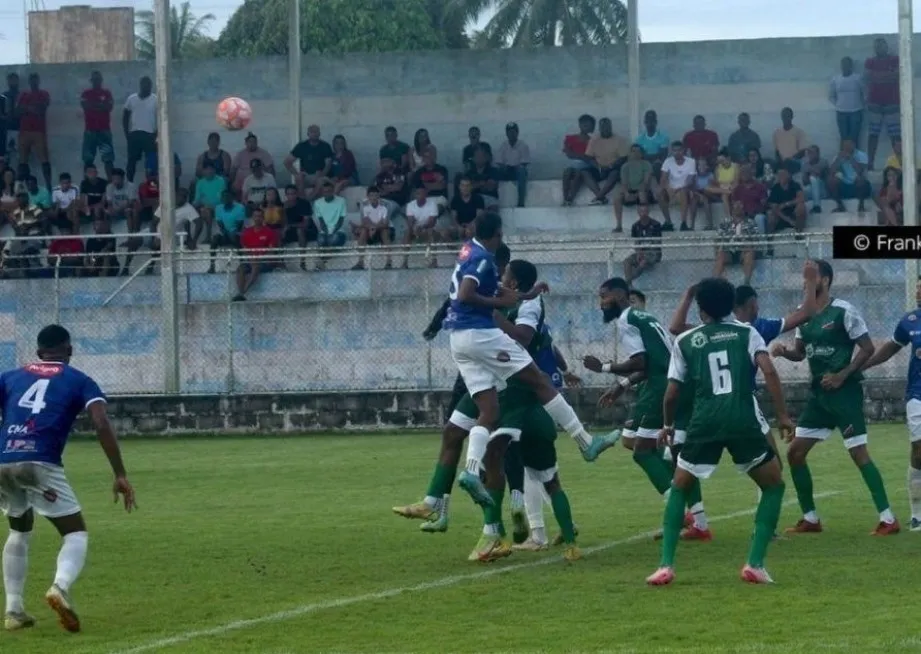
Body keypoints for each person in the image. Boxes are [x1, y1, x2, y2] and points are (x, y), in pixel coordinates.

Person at [443, 214, 614, 516]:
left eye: (506, 273)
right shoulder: (483, 260)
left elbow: (496, 299)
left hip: (462, 341)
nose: (502, 275)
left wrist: (523, 297)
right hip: (485, 347)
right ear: (497, 234)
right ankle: (584, 442)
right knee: (536, 387)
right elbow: (481, 300)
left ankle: (465, 484)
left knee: (486, 421)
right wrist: (503, 307)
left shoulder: (468, 251)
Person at [646, 278, 791, 586]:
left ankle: (665, 566)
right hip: (742, 420)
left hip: (704, 422)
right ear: (731, 304)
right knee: (774, 485)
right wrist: (782, 416)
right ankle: (755, 563)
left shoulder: (686, 340)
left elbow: (671, 394)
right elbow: (769, 371)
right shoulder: (747, 333)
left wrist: (668, 425)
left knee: (680, 486)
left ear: (701, 310)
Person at [0, 324, 136, 632]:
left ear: (38, 352)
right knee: (75, 533)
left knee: (19, 530)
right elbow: (101, 423)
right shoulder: (79, 380)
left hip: (3, 460)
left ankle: (14, 610)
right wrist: (120, 474)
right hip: (40, 462)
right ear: (69, 350)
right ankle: (59, 588)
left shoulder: (9, 376)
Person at [772, 259, 899, 535]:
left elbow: (866, 348)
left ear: (826, 280)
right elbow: (801, 352)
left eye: (812, 275)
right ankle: (810, 519)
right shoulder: (802, 314)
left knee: (858, 453)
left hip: (845, 394)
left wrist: (843, 375)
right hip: (819, 396)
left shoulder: (844, 311)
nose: (807, 280)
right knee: (795, 452)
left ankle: (888, 519)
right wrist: (785, 352)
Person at [670, 262, 820, 478]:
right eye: (756, 304)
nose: (758, 309)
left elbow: (675, 328)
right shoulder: (755, 329)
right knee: (772, 468)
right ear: (751, 305)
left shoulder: (706, 332)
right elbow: (806, 314)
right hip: (742, 405)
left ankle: (692, 508)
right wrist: (811, 281)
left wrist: (689, 294)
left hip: (707, 408)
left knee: (688, 474)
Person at [584, 278, 708, 536]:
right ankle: (700, 523)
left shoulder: (627, 319)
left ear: (619, 296)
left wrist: (604, 368)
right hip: (679, 382)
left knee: (640, 450)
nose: (600, 304)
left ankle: (679, 514)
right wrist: (622, 385)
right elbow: (652, 361)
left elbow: (640, 362)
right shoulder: (645, 317)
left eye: (603, 297)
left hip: (660, 388)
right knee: (676, 455)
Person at [862, 282, 921, 531]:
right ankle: (918, 513)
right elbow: (890, 348)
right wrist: (862, 365)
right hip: (918, 395)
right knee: (919, 452)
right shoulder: (910, 320)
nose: (918, 292)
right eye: (917, 288)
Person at [233, 208, 278, 302]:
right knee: (240, 269)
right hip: (250, 260)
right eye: (255, 216)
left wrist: (260, 258)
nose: (258, 218)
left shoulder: (269, 232)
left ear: (263, 218)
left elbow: (271, 250)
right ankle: (241, 293)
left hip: (264, 262)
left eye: (260, 216)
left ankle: (241, 293)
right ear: (252, 218)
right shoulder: (247, 232)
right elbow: (245, 250)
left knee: (256, 265)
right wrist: (251, 258)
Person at [351, 186, 393, 270]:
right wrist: (371, 228)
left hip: (384, 229)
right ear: (368, 196)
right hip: (370, 230)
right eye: (371, 195)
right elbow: (365, 222)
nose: (373, 198)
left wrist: (374, 228)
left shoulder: (385, 206)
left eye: (375, 195)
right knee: (363, 231)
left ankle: (389, 261)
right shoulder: (365, 206)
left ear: (379, 196)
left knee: (384, 232)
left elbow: (385, 224)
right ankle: (360, 262)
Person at [208, 189, 245, 274]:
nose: (225, 198)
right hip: (224, 233)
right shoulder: (218, 208)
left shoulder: (240, 207)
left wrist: (232, 232)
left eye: (228, 197)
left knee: (236, 238)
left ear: (233, 198)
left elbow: (239, 225)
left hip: (236, 232)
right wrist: (227, 233)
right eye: (223, 197)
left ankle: (242, 263)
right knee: (215, 239)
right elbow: (220, 224)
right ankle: (212, 265)